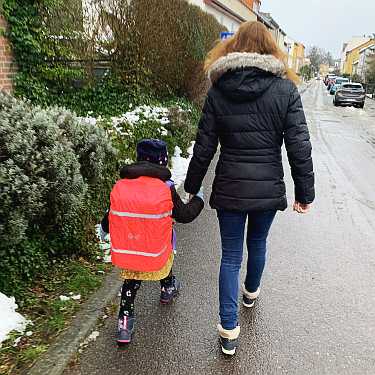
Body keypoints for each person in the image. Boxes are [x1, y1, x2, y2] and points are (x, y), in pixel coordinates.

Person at [184, 21, 315, 355]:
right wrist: (304, 193)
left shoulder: (219, 89)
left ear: (235, 47)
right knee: (257, 242)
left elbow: (204, 145)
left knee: (230, 256)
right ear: (270, 48)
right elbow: (299, 145)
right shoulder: (285, 90)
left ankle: (229, 329)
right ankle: (251, 292)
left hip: (229, 185)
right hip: (267, 187)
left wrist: (192, 186)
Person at [101, 139, 204, 345]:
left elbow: (112, 213)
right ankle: (167, 288)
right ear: (163, 162)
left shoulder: (124, 185)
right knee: (165, 253)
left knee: (131, 282)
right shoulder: (166, 187)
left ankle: (124, 324)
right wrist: (199, 199)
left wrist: (104, 229)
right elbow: (183, 215)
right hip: (156, 252)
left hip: (130, 251)